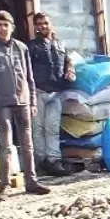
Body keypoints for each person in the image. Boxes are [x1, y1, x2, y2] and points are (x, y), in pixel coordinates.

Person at [0, 10, 50, 199]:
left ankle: (31, 181)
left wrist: (33, 100)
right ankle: (4, 186)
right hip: (1, 103)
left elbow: (29, 77)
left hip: (23, 101)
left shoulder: (21, 47)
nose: (3, 28)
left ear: (12, 27)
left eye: (6, 25)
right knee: (5, 145)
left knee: (27, 144)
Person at [28, 12, 74, 177]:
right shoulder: (31, 47)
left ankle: (54, 160)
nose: (43, 26)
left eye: (45, 23)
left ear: (51, 24)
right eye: (39, 24)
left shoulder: (60, 44)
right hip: (38, 92)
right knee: (38, 128)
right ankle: (41, 162)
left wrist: (70, 71)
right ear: (36, 26)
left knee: (53, 128)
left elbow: (69, 61)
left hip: (56, 92)